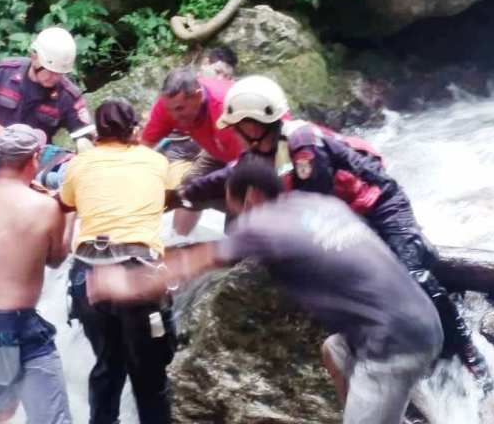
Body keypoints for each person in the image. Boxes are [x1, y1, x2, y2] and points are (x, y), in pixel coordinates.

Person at [178, 74, 493, 391]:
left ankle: (468, 352)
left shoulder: (303, 144)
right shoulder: (261, 153)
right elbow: (225, 176)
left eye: (238, 125)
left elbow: (316, 203)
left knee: (414, 274)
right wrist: (181, 194)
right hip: (348, 220)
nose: (233, 132)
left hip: (381, 207)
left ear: (255, 123)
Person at [89, 155, 444, 424]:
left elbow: (195, 262)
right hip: (421, 318)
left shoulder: (263, 224)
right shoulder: (316, 204)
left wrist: (123, 284)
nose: (236, 221)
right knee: (334, 349)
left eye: (233, 208)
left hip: (394, 345)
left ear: (251, 197)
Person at [61, 99, 176, 424]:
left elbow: (68, 202)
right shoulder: (155, 161)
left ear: (97, 132)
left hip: (89, 274)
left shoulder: (80, 164)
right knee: (150, 377)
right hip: (140, 271)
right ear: (135, 129)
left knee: (108, 367)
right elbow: (168, 196)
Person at [0, 124, 72, 424]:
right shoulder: (45, 207)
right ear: (34, 158)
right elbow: (57, 259)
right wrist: (70, 212)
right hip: (10, 327)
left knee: (3, 408)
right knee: (51, 417)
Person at [141, 67, 244, 235]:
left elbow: (245, 166)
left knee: (235, 194)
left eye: (180, 109)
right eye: (170, 109)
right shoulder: (169, 106)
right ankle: (178, 239)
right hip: (216, 149)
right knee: (189, 186)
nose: (174, 116)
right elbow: (143, 149)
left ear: (198, 95)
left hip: (255, 150)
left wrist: (204, 186)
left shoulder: (224, 107)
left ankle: (243, 247)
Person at [0, 27, 92, 143]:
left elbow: (85, 138)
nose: (54, 78)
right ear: (34, 57)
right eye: (50, 71)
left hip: (32, 157)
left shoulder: (68, 96)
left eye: (60, 73)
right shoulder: (4, 71)